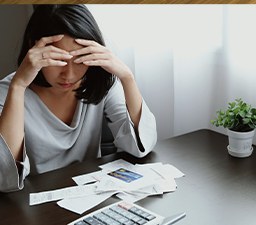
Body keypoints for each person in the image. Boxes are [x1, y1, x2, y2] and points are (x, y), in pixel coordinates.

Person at [0, 5, 157, 192]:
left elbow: (141, 147)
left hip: (91, 193)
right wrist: (18, 86)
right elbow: (5, 180)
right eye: (59, 60)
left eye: (79, 60)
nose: (69, 75)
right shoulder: (8, 92)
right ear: (32, 47)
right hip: (36, 203)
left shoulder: (100, 82)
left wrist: (126, 77)